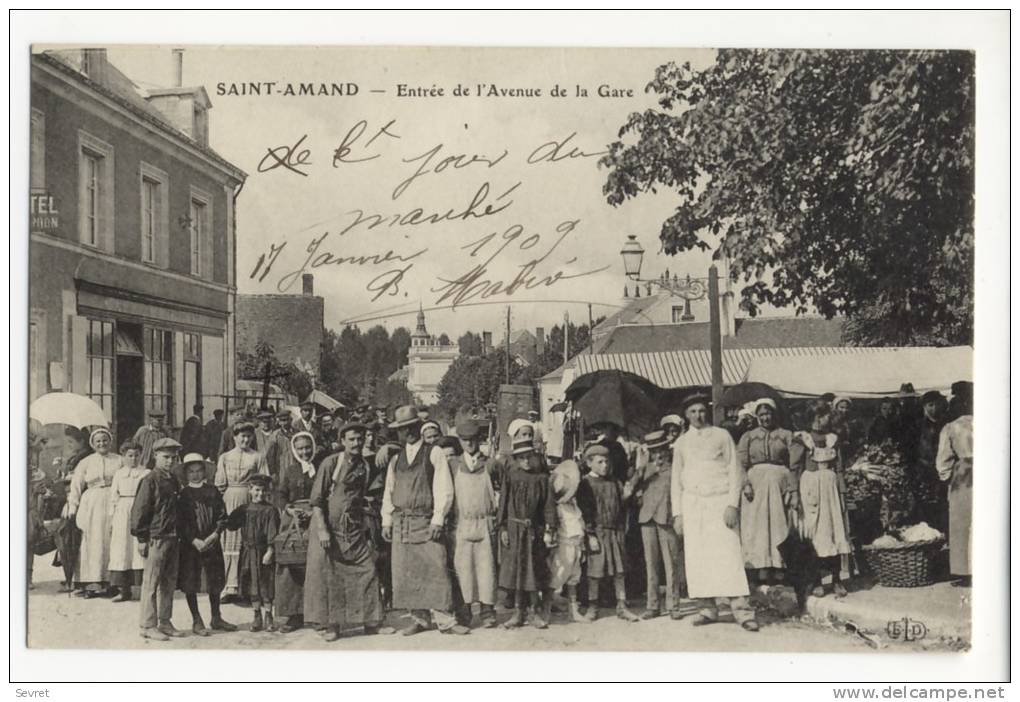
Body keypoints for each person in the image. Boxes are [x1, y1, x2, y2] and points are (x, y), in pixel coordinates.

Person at [671, 396, 758, 631]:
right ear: (686, 415)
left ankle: (741, 611)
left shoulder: (722, 436)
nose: (698, 415)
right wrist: (678, 514)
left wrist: (733, 505)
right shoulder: (682, 443)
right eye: (693, 411)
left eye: (701, 410)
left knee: (728, 555)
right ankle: (707, 608)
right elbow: (676, 479)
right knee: (699, 558)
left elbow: (735, 470)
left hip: (720, 502)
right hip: (693, 504)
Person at [381, 406, 467, 636]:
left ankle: (446, 620)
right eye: (402, 429)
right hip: (402, 523)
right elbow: (388, 492)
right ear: (397, 433)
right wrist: (386, 521)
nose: (407, 432)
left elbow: (443, 488)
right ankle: (419, 619)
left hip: (425, 521)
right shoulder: (395, 459)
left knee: (436, 569)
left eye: (411, 427)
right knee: (407, 573)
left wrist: (438, 519)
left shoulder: (433, 453)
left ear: (419, 427)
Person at [306, 422, 392, 640]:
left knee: (367, 571)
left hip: (353, 528)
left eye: (360, 439)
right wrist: (323, 530)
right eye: (352, 439)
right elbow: (316, 501)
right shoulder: (331, 463)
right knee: (332, 576)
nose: (356, 443)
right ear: (343, 441)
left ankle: (372, 622)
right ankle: (333, 626)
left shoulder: (365, 465)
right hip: (328, 529)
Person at [497, 438, 558, 629]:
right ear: (515, 459)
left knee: (533, 570)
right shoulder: (511, 477)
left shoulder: (541, 479)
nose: (526, 461)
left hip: (533, 532)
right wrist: (503, 527)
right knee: (516, 570)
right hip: (514, 530)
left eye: (528, 457)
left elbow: (548, 506)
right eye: (521, 458)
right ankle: (517, 611)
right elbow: (503, 504)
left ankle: (534, 611)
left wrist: (549, 528)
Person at [738, 398, 799, 587]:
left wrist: (793, 489)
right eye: (761, 414)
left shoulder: (786, 434)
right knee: (757, 526)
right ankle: (760, 568)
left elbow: (794, 464)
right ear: (757, 416)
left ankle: (779, 567)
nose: (765, 418)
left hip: (779, 481)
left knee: (778, 524)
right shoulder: (748, 436)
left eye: (768, 413)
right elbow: (740, 463)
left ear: (774, 414)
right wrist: (745, 484)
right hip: (755, 484)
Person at [576, 444, 639, 622]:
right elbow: (585, 511)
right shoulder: (585, 483)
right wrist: (590, 535)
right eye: (600, 462)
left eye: (606, 461)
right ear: (589, 463)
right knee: (595, 572)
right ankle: (592, 607)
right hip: (597, 533)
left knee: (619, 571)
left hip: (614, 532)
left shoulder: (614, 482)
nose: (604, 465)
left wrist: (627, 496)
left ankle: (622, 606)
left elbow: (621, 505)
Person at [793, 405, 851, 599]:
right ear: (810, 418)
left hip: (830, 490)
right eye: (816, 416)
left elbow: (840, 468)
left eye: (824, 416)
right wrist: (794, 495)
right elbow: (795, 468)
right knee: (814, 534)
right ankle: (816, 581)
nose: (820, 420)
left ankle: (836, 579)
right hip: (810, 489)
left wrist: (842, 494)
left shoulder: (833, 439)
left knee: (834, 531)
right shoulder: (802, 439)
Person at [130, 438, 184, 640]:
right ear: (155, 456)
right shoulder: (149, 480)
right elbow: (139, 512)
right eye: (166, 457)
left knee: (168, 582)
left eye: (173, 457)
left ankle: (165, 621)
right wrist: (142, 538)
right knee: (151, 582)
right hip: (156, 537)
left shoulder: (174, 480)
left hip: (173, 535)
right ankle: (147, 624)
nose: (170, 461)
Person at [444, 431, 498, 629]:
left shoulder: (490, 464)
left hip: (484, 522)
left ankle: (487, 610)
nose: (470, 443)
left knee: (487, 568)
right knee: (463, 569)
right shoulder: (454, 465)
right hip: (462, 522)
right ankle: (464, 611)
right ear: (460, 441)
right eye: (465, 440)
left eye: (474, 439)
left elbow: (498, 491)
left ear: (479, 440)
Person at [177, 453, 236, 635]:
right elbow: (181, 522)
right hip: (191, 544)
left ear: (205, 471)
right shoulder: (183, 494)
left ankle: (216, 617)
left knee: (215, 579)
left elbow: (221, 516)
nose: (195, 474)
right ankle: (196, 620)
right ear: (186, 474)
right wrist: (193, 539)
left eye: (199, 470)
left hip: (211, 541)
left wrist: (214, 535)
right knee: (190, 581)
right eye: (191, 471)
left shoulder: (213, 491)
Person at [632, 430, 685, 620]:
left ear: (667, 450)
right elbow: (630, 489)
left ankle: (674, 605)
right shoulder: (644, 469)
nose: (658, 455)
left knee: (671, 563)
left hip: (666, 518)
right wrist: (641, 469)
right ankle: (653, 605)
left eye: (661, 450)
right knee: (650, 563)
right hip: (647, 519)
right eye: (654, 452)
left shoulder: (674, 469)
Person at [215, 420, 270, 602]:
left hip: (250, 499)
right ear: (235, 437)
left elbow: (264, 479)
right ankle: (229, 586)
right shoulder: (225, 457)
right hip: (230, 498)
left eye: (248, 436)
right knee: (230, 540)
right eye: (242, 436)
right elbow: (220, 484)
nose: (245, 440)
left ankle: (246, 587)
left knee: (248, 542)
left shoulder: (257, 456)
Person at [274, 431, 323, 633]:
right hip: (292, 520)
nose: (304, 452)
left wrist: (315, 511)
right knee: (291, 564)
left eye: (307, 447)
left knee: (316, 565)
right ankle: (294, 615)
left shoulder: (321, 468)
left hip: (316, 517)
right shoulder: (290, 470)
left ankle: (318, 614)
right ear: (294, 450)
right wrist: (289, 509)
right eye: (300, 448)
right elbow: (280, 495)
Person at [66, 427, 120, 598]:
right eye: (98, 441)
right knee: (92, 541)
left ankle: (112, 583)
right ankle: (90, 583)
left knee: (111, 541)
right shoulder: (86, 462)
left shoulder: (118, 460)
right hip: (92, 503)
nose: (102, 444)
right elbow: (76, 485)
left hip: (113, 500)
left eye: (105, 440)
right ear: (93, 444)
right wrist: (72, 505)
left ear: (110, 441)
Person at [226, 474, 280, 632]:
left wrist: (270, 550)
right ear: (250, 490)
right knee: (252, 583)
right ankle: (257, 615)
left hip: (264, 552)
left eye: (263, 491)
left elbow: (272, 532)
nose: (260, 494)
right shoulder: (245, 509)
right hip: (248, 552)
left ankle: (269, 615)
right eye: (257, 490)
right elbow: (231, 524)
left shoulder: (270, 510)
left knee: (266, 583)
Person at [937, 382, 972, 586]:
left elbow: (943, 458)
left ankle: (965, 571)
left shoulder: (952, 427)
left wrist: (946, 477)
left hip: (964, 473)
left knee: (962, 522)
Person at [107, 441, 149, 601]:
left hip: (140, 510)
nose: (133, 459)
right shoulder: (119, 474)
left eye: (137, 455)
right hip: (122, 512)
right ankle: (123, 590)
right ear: (123, 457)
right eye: (130, 456)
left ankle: (145, 589)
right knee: (122, 548)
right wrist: (112, 518)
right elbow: (113, 496)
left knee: (139, 549)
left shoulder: (145, 473)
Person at [547, 458, 586, 622]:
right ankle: (546, 607)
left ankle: (573, 609)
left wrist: (582, 545)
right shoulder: (559, 508)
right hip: (564, 545)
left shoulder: (575, 505)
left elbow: (579, 524)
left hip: (577, 545)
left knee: (574, 577)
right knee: (558, 575)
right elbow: (556, 527)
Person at [914, 390, 949, 533]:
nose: (934, 409)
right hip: (923, 471)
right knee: (926, 507)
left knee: (942, 505)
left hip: (942, 471)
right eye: (930, 405)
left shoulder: (947, 424)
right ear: (924, 406)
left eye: (937, 405)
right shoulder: (917, 426)